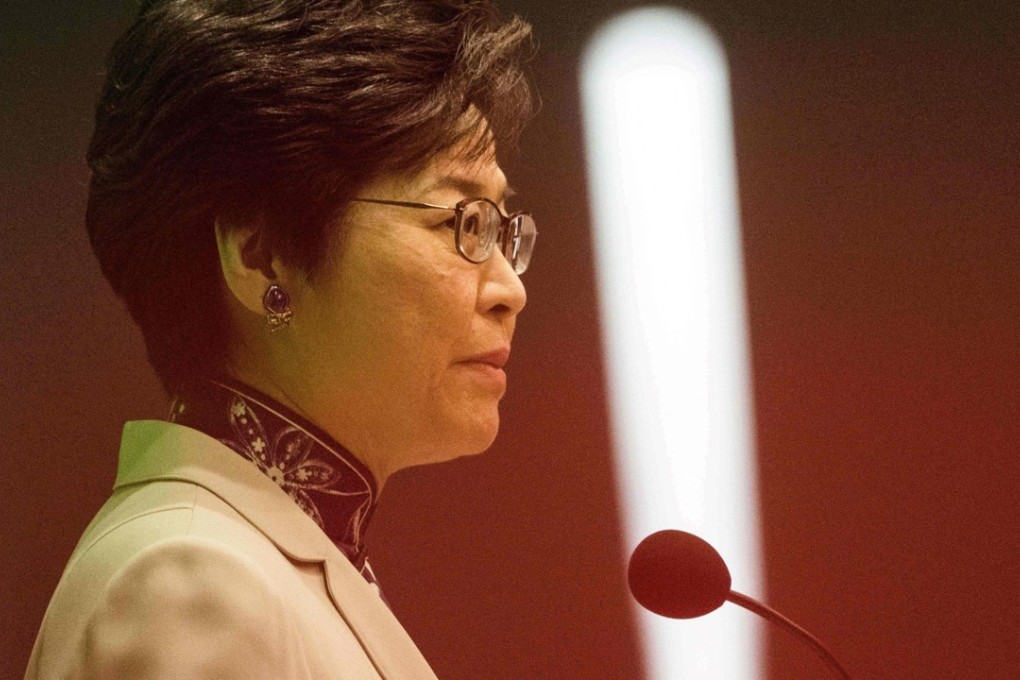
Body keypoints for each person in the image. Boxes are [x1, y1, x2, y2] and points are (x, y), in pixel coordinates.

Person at [25, 0, 536, 678]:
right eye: (461, 224)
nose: (510, 289)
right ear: (262, 255)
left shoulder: (264, 553)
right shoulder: (192, 581)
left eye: (502, 229)